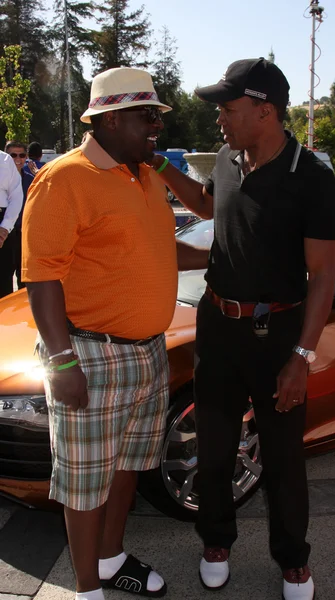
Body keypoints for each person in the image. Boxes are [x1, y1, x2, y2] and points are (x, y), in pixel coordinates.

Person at [151, 57, 335, 600]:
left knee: (282, 456)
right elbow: (210, 207)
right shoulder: (232, 160)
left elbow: (324, 275)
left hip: (278, 333)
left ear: (265, 110)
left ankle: (293, 561)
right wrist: (161, 168)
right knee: (214, 444)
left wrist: (301, 357)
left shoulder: (312, 178)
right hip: (218, 325)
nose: (219, 118)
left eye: (228, 109)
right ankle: (215, 541)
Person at [22, 66, 208, 600]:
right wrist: (60, 363)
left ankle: (111, 559)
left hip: (149, 352)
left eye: (157, 116)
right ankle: (86, 590)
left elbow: (160, 247)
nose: (156, 126)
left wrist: (227, 256)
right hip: (90, 354)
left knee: (127, 471)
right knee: (84, 485)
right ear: (108, 119)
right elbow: (41, 276)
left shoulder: (144, 174)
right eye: (146, 116)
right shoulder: (65, 178)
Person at [5, 141, 35, 289]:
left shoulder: (32, 180)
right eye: (13, 155)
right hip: (6, 234)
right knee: (4, 276)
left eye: (22, 155)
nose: (18, 159)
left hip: (25, 235)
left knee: (24, 277)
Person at [0, 149, 23, 298]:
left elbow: (16, 196)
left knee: (3, 281)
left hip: (2, 221)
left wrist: (5, 228)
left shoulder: (5, 160)